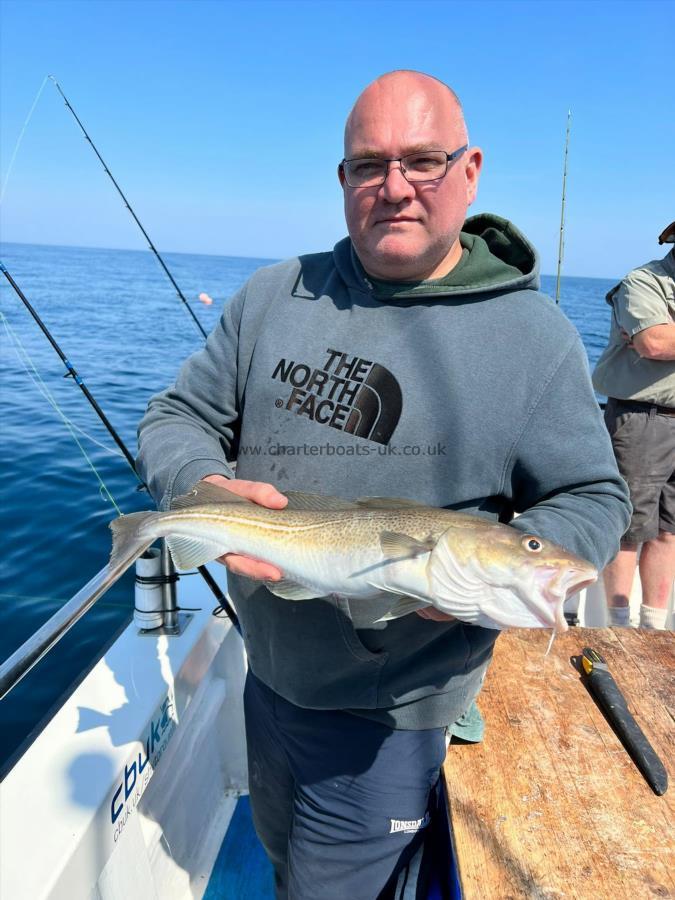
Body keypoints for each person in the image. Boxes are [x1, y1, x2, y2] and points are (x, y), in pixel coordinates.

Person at [137, 71, 630, 899]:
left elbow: (592, 495)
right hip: (270, 671)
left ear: (469, 171)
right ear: (341, 181)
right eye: (368, 165)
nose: (394, 187)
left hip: (395, 711)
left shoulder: (533, 335)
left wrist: (487, 581)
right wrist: (203, 483)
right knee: (281, 850)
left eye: (422, 161)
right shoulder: (270, 295)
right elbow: (176, 415)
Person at [592, 222, 675, 630]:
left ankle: (653, 629)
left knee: (670, 531)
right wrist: (660, 336)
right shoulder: (644, 282)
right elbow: (654, 342)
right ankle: (618, 628)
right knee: (628, 527)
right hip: (643, 419)